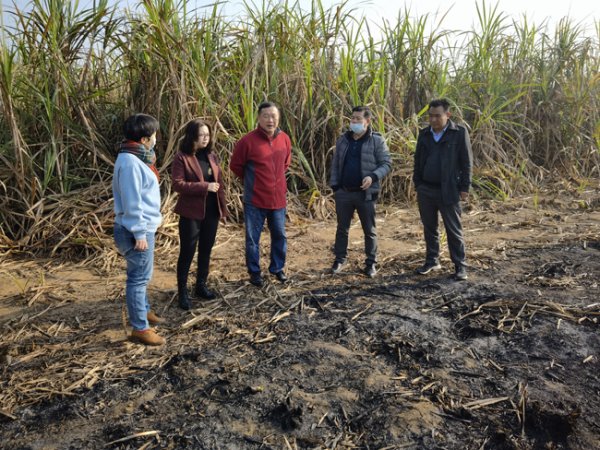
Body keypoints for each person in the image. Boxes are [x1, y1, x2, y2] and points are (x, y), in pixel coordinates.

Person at [112, 113, 165, 346]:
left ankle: (143, 311)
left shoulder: (136, 157)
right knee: (138, 279)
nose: (155, 139)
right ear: (144, 139)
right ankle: (140, 328)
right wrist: (140, 233)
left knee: (142, 276)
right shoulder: (130, 162)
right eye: (153, 135)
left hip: (140, 226)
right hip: (135, 230)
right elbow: (132, 201)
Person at [230, 101, 292, 287]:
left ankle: (277, 268)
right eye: (266, 116)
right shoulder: (247, 141)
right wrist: (253, 181)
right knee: (252, 239)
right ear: (258, 118)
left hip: (278, 200)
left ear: (278, 118)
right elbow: (236, 166)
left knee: (280, 235)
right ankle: (254, 272)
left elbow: (285, 164)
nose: (270, 120)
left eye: (274, 116)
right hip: (255, 200)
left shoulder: (284, 139)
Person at [413, 98, 473, 281]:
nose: (433, 120)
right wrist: (418, 184)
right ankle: (432, 260)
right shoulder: (424, 134)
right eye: (430, 116)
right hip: (426, 189)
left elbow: (467, 162)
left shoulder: (458, 133)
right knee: (429, 228)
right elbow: (418, 161)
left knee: (453, 229)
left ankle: (460, 266)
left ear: (448, 115)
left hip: (449, 189)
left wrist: (465, 187)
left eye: (437, 116)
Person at [172, 119, 228, 310]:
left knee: (206, 249)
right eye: (201, 135)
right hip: (191, 213)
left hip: (211, 212)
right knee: (187, 252)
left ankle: (200, 286)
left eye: (207, 134)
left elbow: (220, 184)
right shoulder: (182, 157)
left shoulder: (212, 156)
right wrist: (205, 186)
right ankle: (182, 293)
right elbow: (177, 184)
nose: (205, 138)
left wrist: (223, 209)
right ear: (192, 137)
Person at [329, 105, 392, 277]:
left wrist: (372, 176)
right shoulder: (343, 140)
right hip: (344, 193)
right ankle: (339, 259)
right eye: (353, 118)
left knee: (369, 230)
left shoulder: (377, 141)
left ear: (367, 121)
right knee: (342, 228)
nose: (354, 122)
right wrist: (335, 186)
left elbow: (386, 163)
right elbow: (335, 164)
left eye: (358, 119)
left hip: (365, 194)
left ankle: (371, 263)